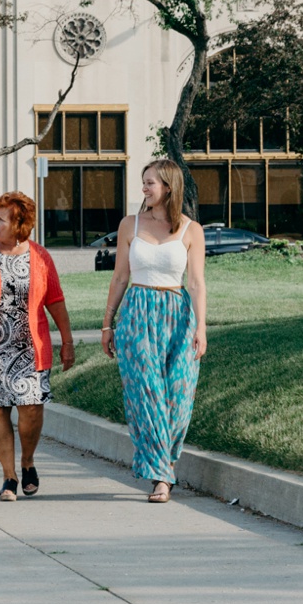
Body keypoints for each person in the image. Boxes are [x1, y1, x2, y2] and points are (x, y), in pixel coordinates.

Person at [0, 191, 74, 501]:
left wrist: (67, 341)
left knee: (31, 410)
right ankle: (9, 477)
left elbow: (56, 302)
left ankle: (28, 461)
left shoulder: (41, 256)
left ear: (20, 223)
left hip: (29, 349)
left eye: (1, 218)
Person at [101, 159, 208, 503]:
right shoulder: (129, 225)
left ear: (169, 187)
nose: (144, 188)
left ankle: (165, 462)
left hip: (177, 316)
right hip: (137, 315)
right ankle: (161, 476)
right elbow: (120, 277)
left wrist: (201, 326)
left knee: (178, 396)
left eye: (150, 183)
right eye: (144, 183)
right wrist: (107, 323)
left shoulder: (191, 230)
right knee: (145, 395)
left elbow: (195, 283)